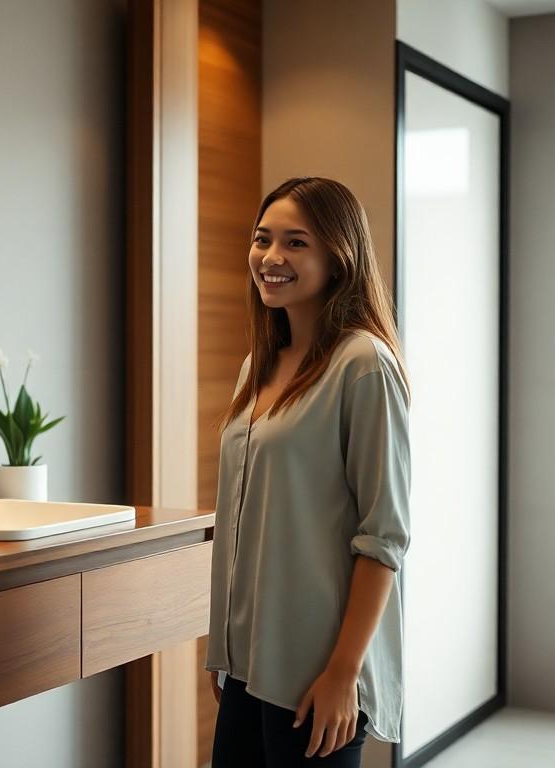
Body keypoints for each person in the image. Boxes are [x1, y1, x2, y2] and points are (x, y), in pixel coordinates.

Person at [205, 176, 412, 766]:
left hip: (318, 673)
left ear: (338, 258)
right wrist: (224, 650)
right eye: (262, 238)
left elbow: (384, 538)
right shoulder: (256, 368)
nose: (271, 258)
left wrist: (343, 674)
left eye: (296, 243)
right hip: (247, 666)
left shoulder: (363, 365)